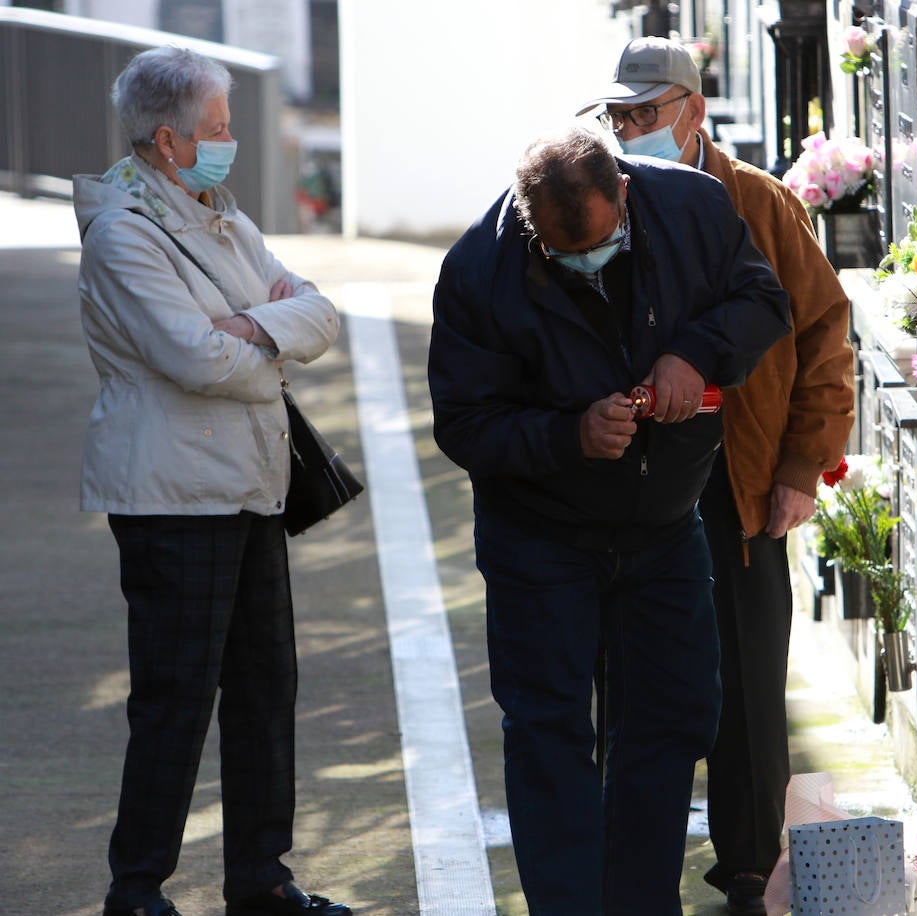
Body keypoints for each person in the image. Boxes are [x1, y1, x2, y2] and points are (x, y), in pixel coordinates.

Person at [428, 126, 792, 915]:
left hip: (664, 522)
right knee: (550, 732)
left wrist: (694, 352)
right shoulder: (475, 272)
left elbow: (764, 300)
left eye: (597, 242)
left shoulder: (691, 205)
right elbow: (464, 423)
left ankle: (640, 902)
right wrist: (569, 435)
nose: (584, 261)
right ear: (530, 227)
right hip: (540, 535)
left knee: (673, 717)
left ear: (623, 193)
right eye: (563, 252)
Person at [579, 37, 856, 916]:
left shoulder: (760, 203)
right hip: (634, 478)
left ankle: (745, 866)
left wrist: (802, 465)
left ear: (692, 112)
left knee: (747, 682)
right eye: (615, 115)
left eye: (643, 114)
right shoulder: (596, 196)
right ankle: (629, 863)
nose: (627, 131)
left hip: (738, 478)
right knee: (630, 676)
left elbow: (823, 334)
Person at [74, 46, 350, 916]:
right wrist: (269, 337)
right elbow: (193, 358)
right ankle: (137, 888)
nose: (231, 140)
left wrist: (251, 327)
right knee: (176, 698)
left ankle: (261, 880)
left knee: (267, 690)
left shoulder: (220, 214)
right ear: (168, 139)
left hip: (248, 483)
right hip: (172, 496)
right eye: (219, 128)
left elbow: (319, 309)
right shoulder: (123, 232)